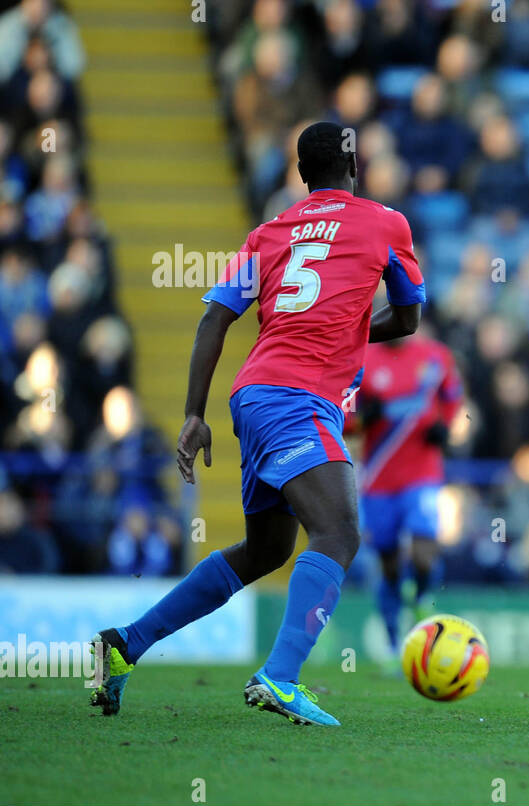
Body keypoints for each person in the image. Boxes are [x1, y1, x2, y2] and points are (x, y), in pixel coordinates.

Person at [90, 121, 426, 726]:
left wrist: (194, 413)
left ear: (301, 175)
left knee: (267, 549)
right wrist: (350, 328)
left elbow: (213, 323)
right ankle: (280, 676)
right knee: (340, 532)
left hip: (253, 395)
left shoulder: (268, 233)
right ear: (355, 168)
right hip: (298, 397)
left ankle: (124, 645)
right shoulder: (385, 223)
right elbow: (407, 318)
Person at [353, 317, 463, 651]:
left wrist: (445, 426)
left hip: (423, 473)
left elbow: (453, 397)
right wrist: (359, 420)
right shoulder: (362, 360)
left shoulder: (435, 357)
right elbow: (341, 414)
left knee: (423, 555)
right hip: (379, 478)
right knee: (387, 564)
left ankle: (423, 598)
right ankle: (391, 642)